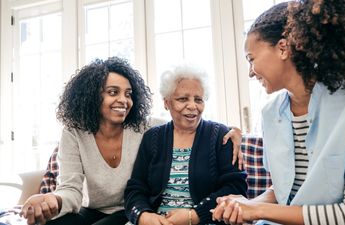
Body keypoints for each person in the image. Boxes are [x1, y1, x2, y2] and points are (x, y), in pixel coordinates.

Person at [212, 1, 345, 225]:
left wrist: (259, 210)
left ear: (283, 48)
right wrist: (246, 205)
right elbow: (285, 190)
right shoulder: (270, 113)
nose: (251, 73)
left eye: (251, 59)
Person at [19, 57, 243, 225]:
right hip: (97, 209)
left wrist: (234, 131)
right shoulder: (75, 133)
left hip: (126, 211)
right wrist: (52, 199)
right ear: (92, 96)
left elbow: (186, 122)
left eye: (128, 94)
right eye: (113, 92)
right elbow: (71, 189)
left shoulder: (146, 128)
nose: (123, 100)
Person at [124, 63, 248, 225]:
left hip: (205, 220)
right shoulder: (152, 137)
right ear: (166, 103)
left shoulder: (220, 135)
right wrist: (143, 216)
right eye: (182, 99)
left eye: (198, 99)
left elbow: (236, 187)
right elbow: (136, 188)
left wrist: (194, 215)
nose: (192, 106)